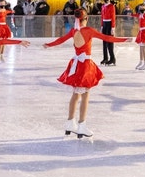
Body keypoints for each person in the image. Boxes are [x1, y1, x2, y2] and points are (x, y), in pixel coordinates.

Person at [43, 8, 131, 138]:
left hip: (76, 64)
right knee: (85, 95)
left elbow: (61, 40)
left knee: (75, 95)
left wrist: (48, 45)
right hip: (85, 66)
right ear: (86, 18)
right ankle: (81, 125)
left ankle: (70, 123)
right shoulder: (88, 31)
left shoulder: (74, 31)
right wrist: (123, 40)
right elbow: (106, 38)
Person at [99, 0, 117, 66]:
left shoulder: (111, 6)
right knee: (104, 42)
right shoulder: (103, 6)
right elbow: (102, 16)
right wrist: (102, 25)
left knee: (110, 42)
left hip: (109, 24)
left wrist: (113, 27)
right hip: (104, 24)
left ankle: (112, 58)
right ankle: (105, 58)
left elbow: (113, 16)